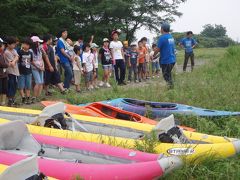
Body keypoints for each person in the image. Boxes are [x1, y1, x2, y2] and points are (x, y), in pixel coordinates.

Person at [154, 23, 176, 88]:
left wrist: (154, 55)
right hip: (172, 60)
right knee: (168, 74)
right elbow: (167, 49)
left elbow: (158, 49)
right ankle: (171, 87)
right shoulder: (171, 37)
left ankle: (171, 88)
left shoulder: (162, 38)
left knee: (166, 75)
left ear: (162, 29)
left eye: (161, 28)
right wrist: (157, 56)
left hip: (166, 60)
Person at [4, 36, 19, 106]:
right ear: (8, 44)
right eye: (12, 44)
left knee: (15, 85)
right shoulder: (6, 52)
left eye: (14, 44)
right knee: (11, 85)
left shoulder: (14, 50)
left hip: (15, 71)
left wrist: (15, 59)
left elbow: (17, 57)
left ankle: (12, 99)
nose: (14, 46)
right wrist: (15, 58)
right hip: (10, 72)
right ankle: (10, 100)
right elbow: (12, 64)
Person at [18, 38, 33, 104]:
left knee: (28, 86)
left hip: (28, 71)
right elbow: (17, 60)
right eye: (23, 43)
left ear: (29, 46)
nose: (24, 45)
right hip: (21, 71)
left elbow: (31, 61)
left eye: (26, 44)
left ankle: (28, 97)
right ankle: (23, 98)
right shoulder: (19, 52)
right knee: (21, 86)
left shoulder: (30, 53)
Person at [30, 36, 46, 102]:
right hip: (35, 68)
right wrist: (39, 67)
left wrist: (43, 66)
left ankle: (38, 97)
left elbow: (41, 58)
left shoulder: (39, 49)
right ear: (35, 42)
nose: (39, 43)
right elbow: (32, 61)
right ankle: (34, 96)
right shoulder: (31, 50)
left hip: (41, 67)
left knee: (41, 82)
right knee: (38, 82)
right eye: (38, 42)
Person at [0, 38, 9, 106]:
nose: (3, 46)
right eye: (2, 44)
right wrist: (8, 64)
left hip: (4, 74)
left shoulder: (2, 53)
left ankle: (3, 102)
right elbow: (2, 64)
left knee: (4, 89)